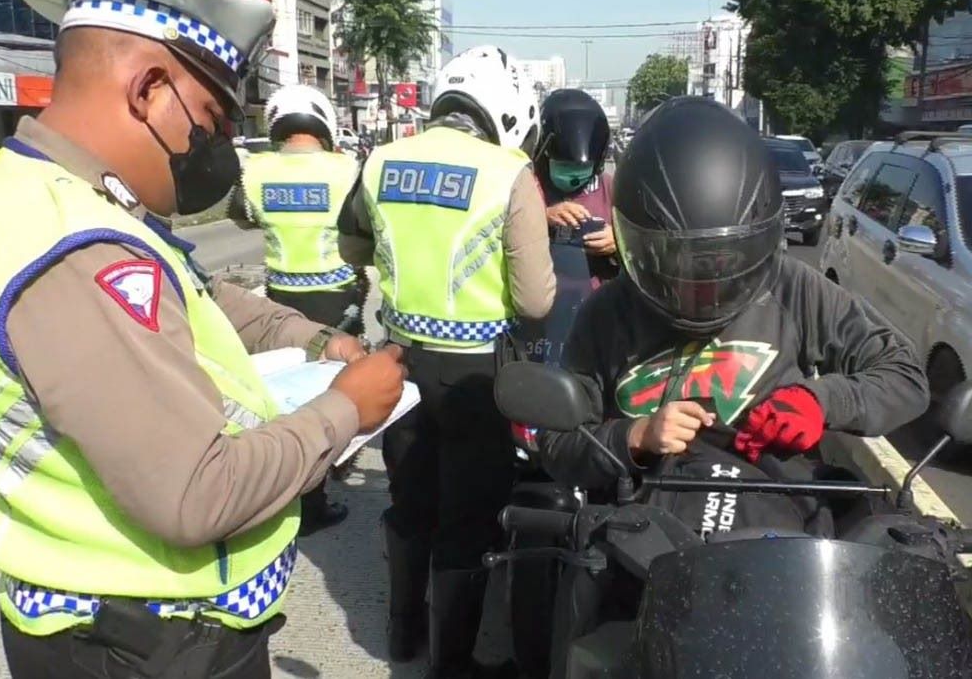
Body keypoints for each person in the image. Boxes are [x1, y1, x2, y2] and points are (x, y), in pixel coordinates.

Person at [0, 0, 406, 677]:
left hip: (129, 631)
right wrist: (345, 411)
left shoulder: (53, 195)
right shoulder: (76, 247)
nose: (218, 151)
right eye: (213, 121)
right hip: (142, 643)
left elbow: (196, 295)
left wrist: (313, 341)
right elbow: (196, 493)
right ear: (149, 90)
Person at [537, 95, 928, 503]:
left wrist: (819, 400)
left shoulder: (791, 288)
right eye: (678, 262)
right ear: (640, 247)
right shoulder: (608, 313)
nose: (703, 286)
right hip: (642, 533)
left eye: (721, 262)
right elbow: (557, 443)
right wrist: (636, 435)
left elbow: (904, 376)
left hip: (777, 523)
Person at [340, 45, 556, 677]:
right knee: (467, 517)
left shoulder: (380, 160)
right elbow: (539, 299)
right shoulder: (507, 171)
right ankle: (450, 663)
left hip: (398, 365)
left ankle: (402, 633)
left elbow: (355, 244)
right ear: (508, 110)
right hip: (475, 377)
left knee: (411, 501)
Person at [241, 83, 366, 535]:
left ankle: (286, 487)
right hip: (336, 298)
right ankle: (313, 499)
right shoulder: (348, 168)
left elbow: (244, 217)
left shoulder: (254, 170)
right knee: (330, 393)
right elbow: (363, 230)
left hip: (279, 303)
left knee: (289, 399)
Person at [534, 89, 619, 288]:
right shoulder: (530, 186)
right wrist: (542, 217)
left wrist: (619, 241)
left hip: (595, 305)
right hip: (545, 302)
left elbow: (646, 244)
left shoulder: (611, 189)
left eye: (581, 167)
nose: (572, 175)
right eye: (563, 164)